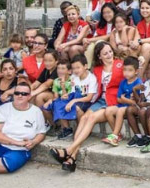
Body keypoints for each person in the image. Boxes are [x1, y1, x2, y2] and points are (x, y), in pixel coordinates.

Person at [49, 42, 123, 172]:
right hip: (101, 100)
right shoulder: (97, 70)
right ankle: (72, 157)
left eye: (110, 51)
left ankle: (69, 151)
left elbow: (133, 71)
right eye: (105, 53)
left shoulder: (120, 64)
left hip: (113, 101)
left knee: (91, 118)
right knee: (83, 118)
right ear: (99, 56)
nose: (109, 55)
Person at [102, 56, 142, 146]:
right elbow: (118, 99)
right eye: (125, 70)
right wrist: (125, 100)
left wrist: (125, 99)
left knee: (120, 110)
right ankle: (117, 134)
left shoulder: (138, 83)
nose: (126, 73)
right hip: (123, 105)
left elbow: (137, 102)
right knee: (108, 111)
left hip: (132, 108)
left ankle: (114, 136)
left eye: (130, 70)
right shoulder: (123, 82)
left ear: (136, 71)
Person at [126, 58, 150, 148]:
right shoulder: (146, 83)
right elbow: (140, 101)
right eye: (148, 69)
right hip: (146, 107)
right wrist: (135, 90)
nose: (149, 71)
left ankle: (148, 136)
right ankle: (138, 136)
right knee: (130, 109)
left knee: (143, 111)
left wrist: (145, 105)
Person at [65, 54, 98, 131]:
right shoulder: (73, 77)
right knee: (60, 102)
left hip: (88, 102)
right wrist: (67, 96)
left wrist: (73, 101)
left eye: (78, 67)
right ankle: (67, 128)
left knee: (76, 107)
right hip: (78, 99)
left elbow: (89, 98)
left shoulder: (91, 78)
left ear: (85, 66)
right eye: (73, 68)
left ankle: (82, 129)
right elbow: (72, 92)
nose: (75, 70)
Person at [42, 60, 74, 139]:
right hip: (60, 99)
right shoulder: (56, 81)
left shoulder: (72, 81)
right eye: (58, 68)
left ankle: (67, 129)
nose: (60, 71)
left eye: (63, 68)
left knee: (59, 104)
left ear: (69, 71)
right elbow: (56, 96)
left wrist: (63, 86)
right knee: (45, 107)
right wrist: (50, 100)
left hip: (69, 100)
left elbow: (68, 96)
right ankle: (55, 125)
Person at [82, 3, 116, 68]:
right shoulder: (100, 24)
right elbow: (95, 36)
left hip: (111, 45)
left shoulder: (117, 23)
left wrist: (89, 39)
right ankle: (87, 68)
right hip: (99, 44)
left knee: (99, 42)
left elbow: (107, 36)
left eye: (109, 12)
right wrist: (87, 41)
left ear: (114, 12)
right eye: (104, 13)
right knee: (90, 46)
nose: (106, 15)